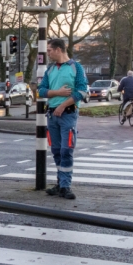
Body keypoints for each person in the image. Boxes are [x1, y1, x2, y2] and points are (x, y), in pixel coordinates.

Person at [37, 38, 89, 199]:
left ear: (58, 50)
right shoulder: (50, 70)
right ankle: (60, 184)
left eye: (50, 50)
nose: (48, 53)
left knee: (67, 150)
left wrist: (63, 105)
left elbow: (82, 91)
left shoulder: (76, 68)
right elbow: (41, 91)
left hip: (68, 114)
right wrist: (57, 93)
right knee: (56, 150)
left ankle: (66, 186)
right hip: (52, 115)